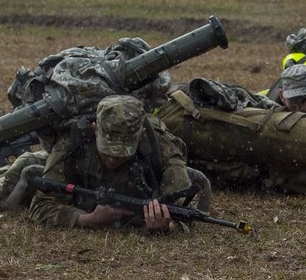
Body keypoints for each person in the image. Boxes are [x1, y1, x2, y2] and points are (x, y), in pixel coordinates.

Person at [28, 95, 192, 233]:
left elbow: (184, 210)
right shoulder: (72, 143)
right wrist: (87, 219)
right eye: (107, 151)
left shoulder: (162, 146)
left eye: (122, 154)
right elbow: (41, 206)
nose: (112, 160)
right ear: (95, 130)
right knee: (20, 175)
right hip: (44, 166)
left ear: (141, 135)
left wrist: (167, 226)